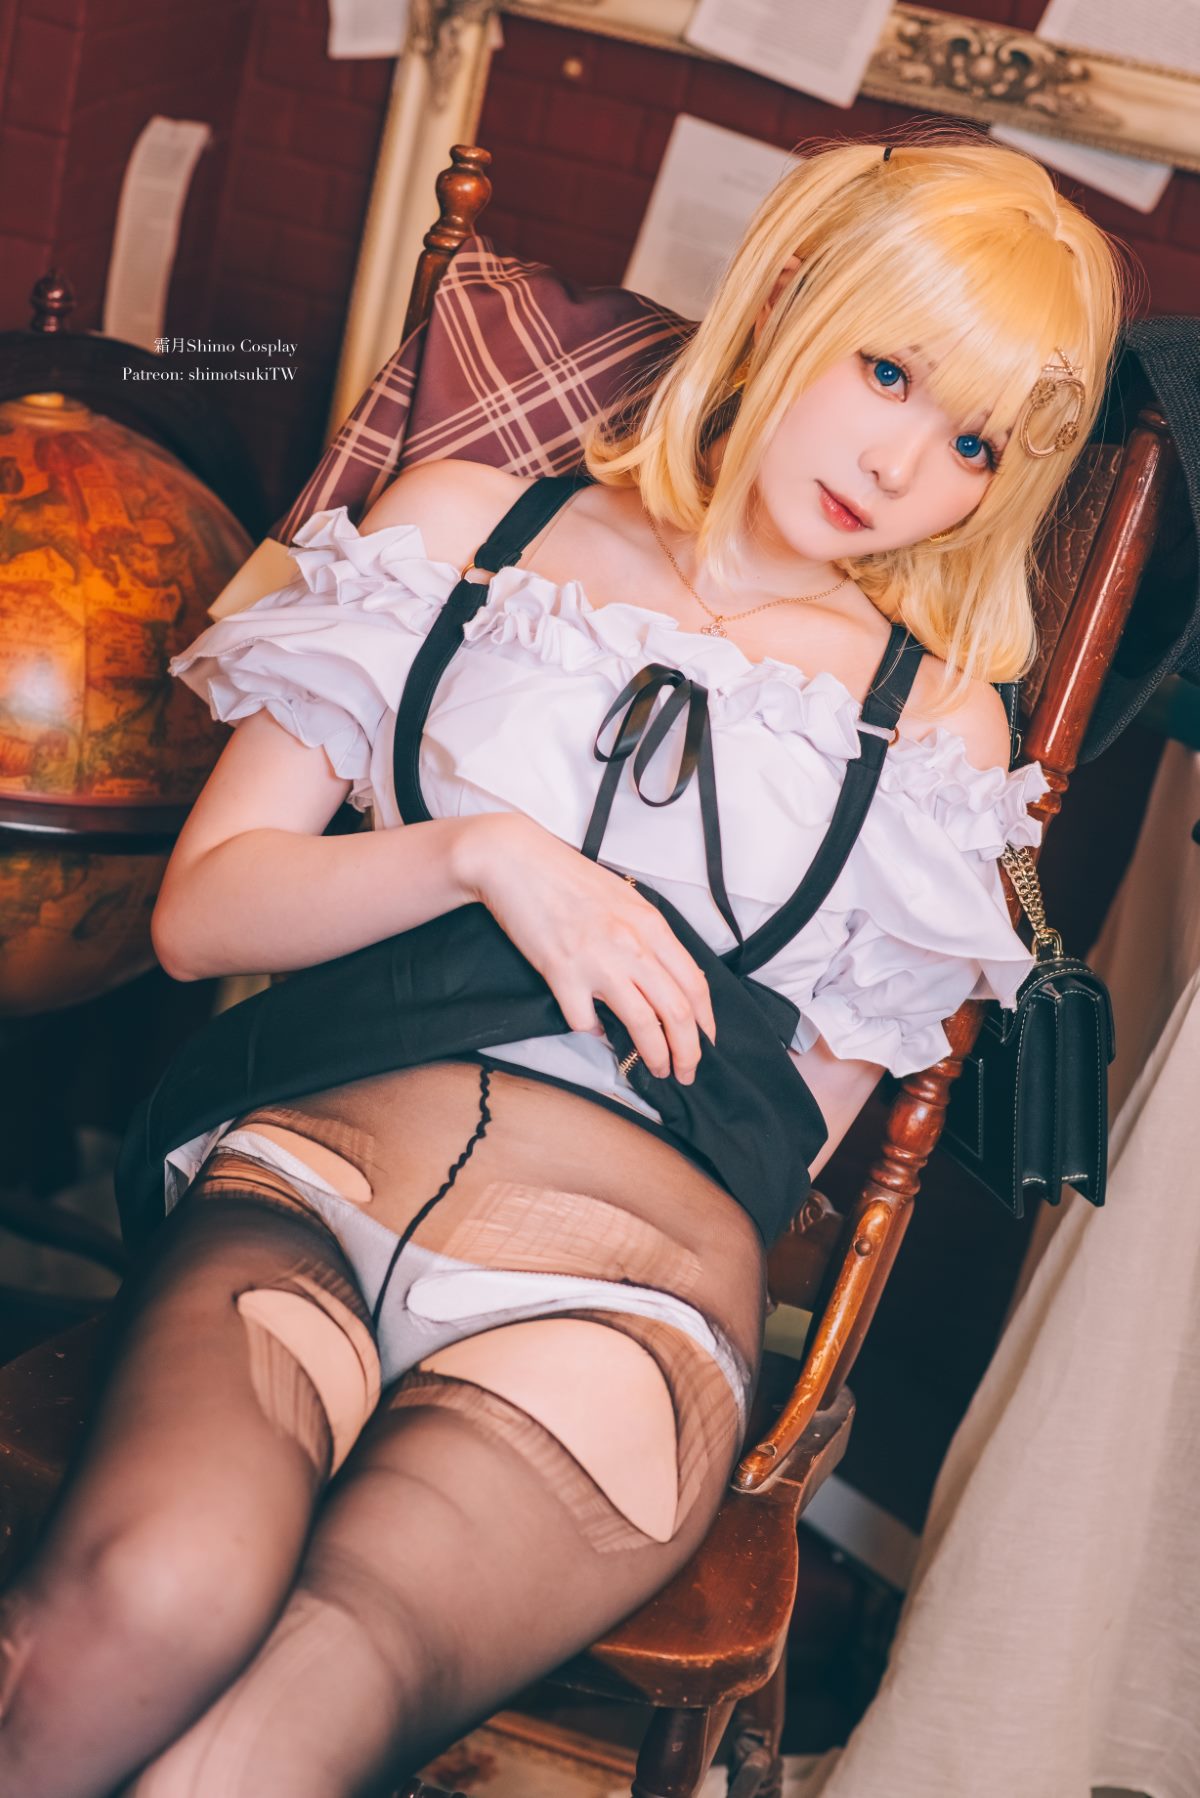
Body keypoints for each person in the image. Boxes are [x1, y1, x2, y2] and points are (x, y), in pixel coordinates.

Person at [0, 133, 1123, 1797]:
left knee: (295, 1710)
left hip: (619, 1304)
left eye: (971, 442)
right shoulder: (461, 530)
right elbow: (202, 914)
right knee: (148, 1594)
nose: (899, 466)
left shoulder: (934, 729)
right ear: (787, 297)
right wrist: (491, 859)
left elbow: (791, 1138)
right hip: (311, 1187)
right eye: (887, 370)